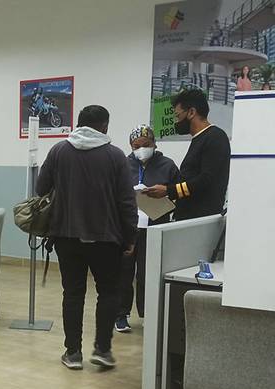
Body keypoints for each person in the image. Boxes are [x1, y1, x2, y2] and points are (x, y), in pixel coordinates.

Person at [36, 105, 138, 370]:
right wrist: (130, 237)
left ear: (78, 124)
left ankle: (73, 353)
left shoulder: (58, 151)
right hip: (106, 238)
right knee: (108, 292)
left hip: (66, 236)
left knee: (73, 293)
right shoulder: (115, 156)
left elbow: (40, 187)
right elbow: (127, 202)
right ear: (104, 126)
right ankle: (102, 350)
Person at [115, 125, 180, 333]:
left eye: (146, 144)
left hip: (155, 225)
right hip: (128, 227)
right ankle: (121, 314)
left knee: (147, 273)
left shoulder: (167, 165)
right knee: (124, 272)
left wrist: (166, 195)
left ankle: (147, 313)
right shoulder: (123, 165)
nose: (141, 149)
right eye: (136, 146)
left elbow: (177, 193)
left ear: (154, 144)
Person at [143, 89, 231, 221]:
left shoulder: (215, 137)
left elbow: (206, 180)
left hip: (201, 221)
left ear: (191, 112)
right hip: (188, 219)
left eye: (178, 116)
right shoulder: (199, 139)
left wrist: (169, 190)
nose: (176, 121)